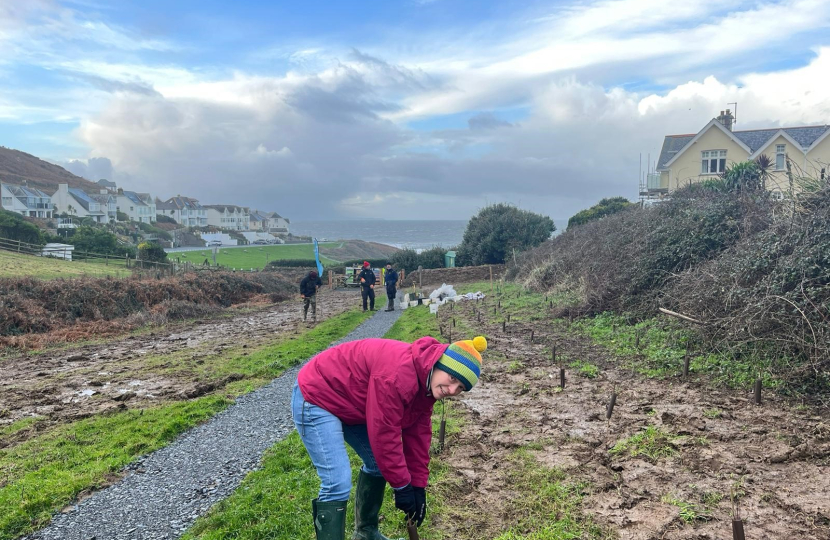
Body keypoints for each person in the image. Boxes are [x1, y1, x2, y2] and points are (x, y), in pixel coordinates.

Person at [292, 335, 487, 540]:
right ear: (439, 364)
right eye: (453, 379)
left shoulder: (427, 384)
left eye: (460, 389)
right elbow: (385, 434)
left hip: (351, 402)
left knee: (377, 465)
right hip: (317, 394)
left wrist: (418, 486)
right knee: (337, 482)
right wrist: (402, 486)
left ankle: (366, 533)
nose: (452, 390)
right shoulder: (397, 376)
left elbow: (418, 436)